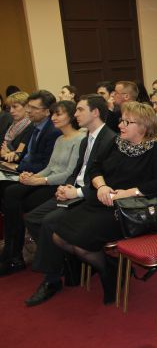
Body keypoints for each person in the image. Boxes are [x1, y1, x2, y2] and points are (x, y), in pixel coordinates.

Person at [51, 101, 157, 303]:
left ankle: (109, 271)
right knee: (58, 237)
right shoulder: (116, 142)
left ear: (143, 126)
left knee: (81, 245)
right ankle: (113, 266)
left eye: (127, 122)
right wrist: (102, 186)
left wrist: (128, 193)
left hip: (128, 209)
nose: (120, 125)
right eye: (121, 120)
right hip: (101, 200)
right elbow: (95, 168)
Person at [24, 94, 116, 305]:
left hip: (90, 197)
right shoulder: (87, 139)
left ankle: (51, 279)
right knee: (32, 218)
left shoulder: (109, 140)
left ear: (95, 112)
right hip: (75, 191)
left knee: (49, 222)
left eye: (80, 110)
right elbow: (76, 172)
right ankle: (65, 262)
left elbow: (107, 180)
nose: (76, 114)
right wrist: (66, 187)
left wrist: (76, 192)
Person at [0, 100, 84, 277]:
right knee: (11, 192)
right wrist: (32, 176)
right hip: (47, 180)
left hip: (60, 185)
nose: (53, 118)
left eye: (58, 114)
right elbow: (50, 166)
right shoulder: (60, 139)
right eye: (53, 114)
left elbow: (69, 173)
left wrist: (38, 181)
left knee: (19, 202)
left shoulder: (79, 139)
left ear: (71, 117)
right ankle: (14, 251)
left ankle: (23, 253)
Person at [1, 91, 33, 165]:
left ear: (26, 107)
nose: (11, 111)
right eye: (10, 108)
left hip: (21, 168)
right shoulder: (11, 125)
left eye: (15, 107)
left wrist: (9, 153)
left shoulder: (31, 126)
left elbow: (21, 155)